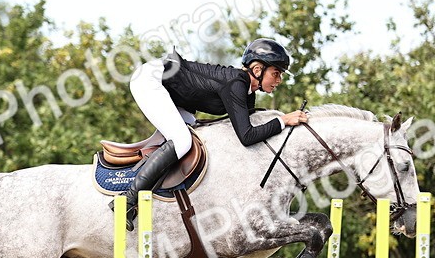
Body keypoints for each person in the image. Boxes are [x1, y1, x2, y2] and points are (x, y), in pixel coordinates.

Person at [117, 37, 310, 229]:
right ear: (258, 70)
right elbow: (247, 136)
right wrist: (283, 120)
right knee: (182, 141)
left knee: (196, 136)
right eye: (276, 73)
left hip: (173, 92)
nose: (279, 80)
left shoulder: (247, 92)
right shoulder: (237, 84)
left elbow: (251, 137)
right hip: (151, 79)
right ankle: (127, 201)